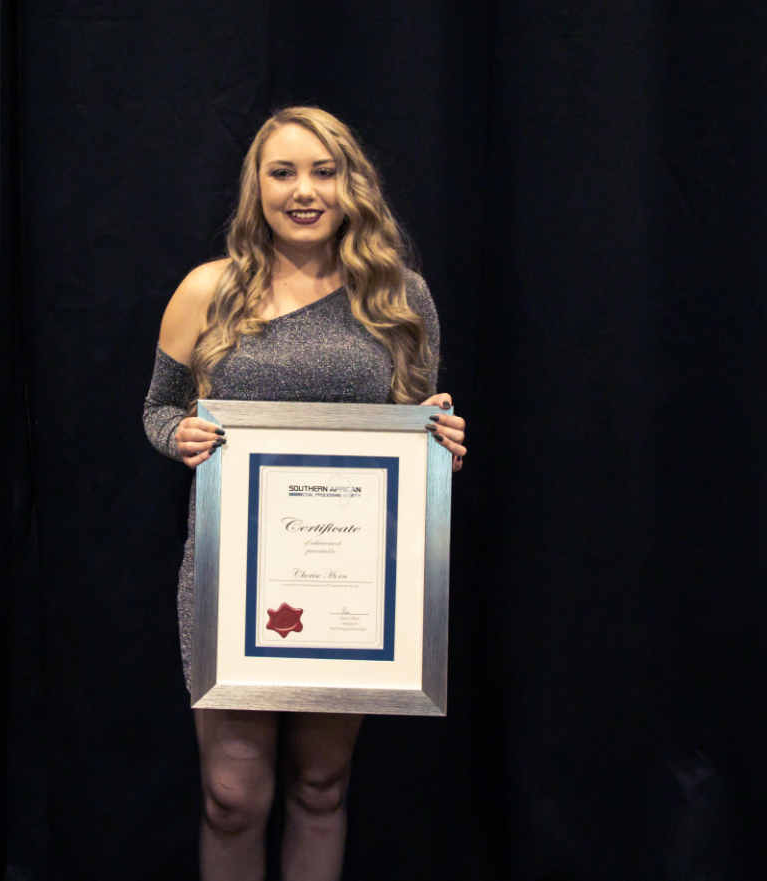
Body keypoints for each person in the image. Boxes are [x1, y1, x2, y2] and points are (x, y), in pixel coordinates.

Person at [142, 106, 466, 881]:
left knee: (322, 785)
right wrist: (179, 436)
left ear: (352, 183)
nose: (304, 190)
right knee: (231, 795)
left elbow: (410, 424)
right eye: (282, 172)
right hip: (234, 578)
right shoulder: (207, 290)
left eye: (324, 171)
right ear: (256, 186)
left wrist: (436, 442)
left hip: (351, 586)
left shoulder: (400, 297)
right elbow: (158, 408)